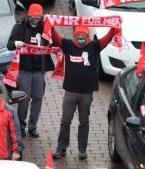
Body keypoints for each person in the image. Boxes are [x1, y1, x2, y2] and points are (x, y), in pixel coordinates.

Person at [50, 25, 117, 160]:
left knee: (84, 121)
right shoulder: (67, 44)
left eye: (84, 37)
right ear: (74, 37)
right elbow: (55, 38)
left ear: (87, 37)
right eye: (78, 37)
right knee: (65, 121)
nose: (81, 39)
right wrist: (50, 25)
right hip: (70, 91)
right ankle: (61, 148)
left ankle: (82, 150)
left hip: (87, 92)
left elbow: (107, 38)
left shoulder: (94, 46)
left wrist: (114, 28)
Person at [7, 4, 54, 137]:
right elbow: (9, 45)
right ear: (28, 15)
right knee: (24, 99)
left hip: (39, 71)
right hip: (24, 71)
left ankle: (33, 126)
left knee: (38, 98)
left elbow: (53, 41)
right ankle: (21, 126)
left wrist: (50, 24)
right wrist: (16, 43)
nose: (36, 20)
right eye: (33, 17)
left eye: (38, 17)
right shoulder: (19, 27)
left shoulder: (44, 27)